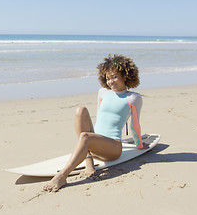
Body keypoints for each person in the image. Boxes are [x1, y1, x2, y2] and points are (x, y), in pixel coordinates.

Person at [43, 54, 147, 192]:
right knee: (81, 110)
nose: (110, 82)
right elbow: (99, 117)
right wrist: (92, 139)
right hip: (94, 142)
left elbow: (135, 125)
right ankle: (88, 158)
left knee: (85, 137)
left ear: (126, 75)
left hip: (113, 147)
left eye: (114, 77)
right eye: (108, 78)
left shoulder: (133, 98)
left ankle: (62, 175)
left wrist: (139, 144)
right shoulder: (103, 92)